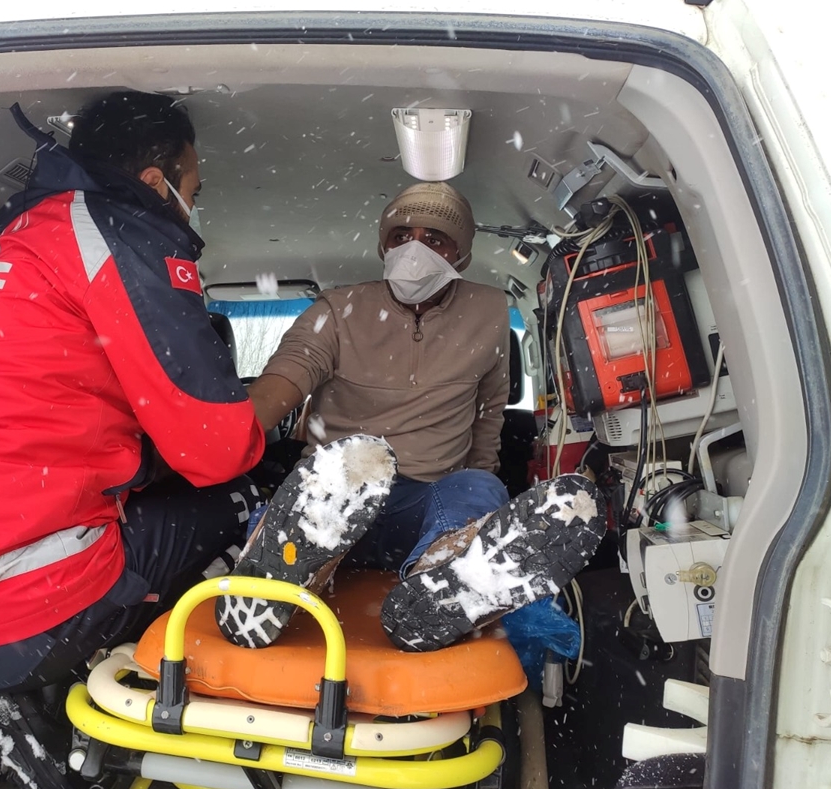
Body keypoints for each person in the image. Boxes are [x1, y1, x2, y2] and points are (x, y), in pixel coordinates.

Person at [0, 91, 264, 789]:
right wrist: (275, 417)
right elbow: (217, 448)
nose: (191, 206)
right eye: (192, 189)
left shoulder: (2, 246)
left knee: (123, 506)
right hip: (12, 608)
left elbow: (39, 419)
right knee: (244, 498)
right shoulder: (122, 234)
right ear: (153, 180)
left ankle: (2, 687)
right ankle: (194, 674)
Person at [216, 182, 605, 651]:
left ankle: (441, 581)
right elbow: (281, 383)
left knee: (478, 486)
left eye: (435, 239)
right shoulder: (337, 311)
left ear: (460, 255)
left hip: (424, 506)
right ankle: (279, 579)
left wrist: (482, 498)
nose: (414, 249)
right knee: (340, 475)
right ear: (383, 245)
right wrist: (218, 447)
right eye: (401, 236)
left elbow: (488, 413)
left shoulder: (487, 311)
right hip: (340, 501)